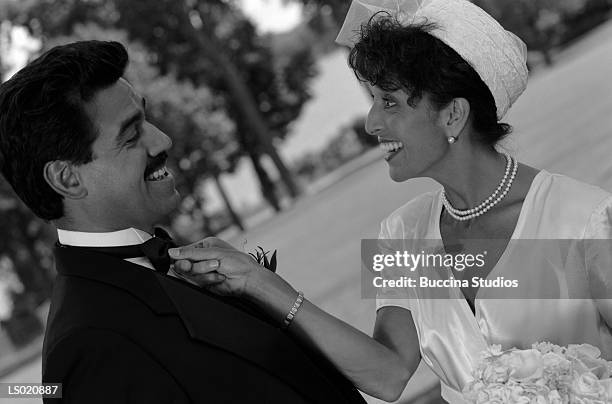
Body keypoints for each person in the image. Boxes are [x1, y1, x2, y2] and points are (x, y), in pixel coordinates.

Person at [168, 0, 612, 402]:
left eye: (390, 102)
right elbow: (389, 373)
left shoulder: (585, 219)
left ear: (452, 114)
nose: (370, 121)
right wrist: (259, 283)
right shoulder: (399, 235)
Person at [0, 40, 366, 404]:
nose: (163, 140)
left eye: (147, 119)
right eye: (131, 135)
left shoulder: (176, 264)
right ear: (67, 179)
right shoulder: (88, 347)